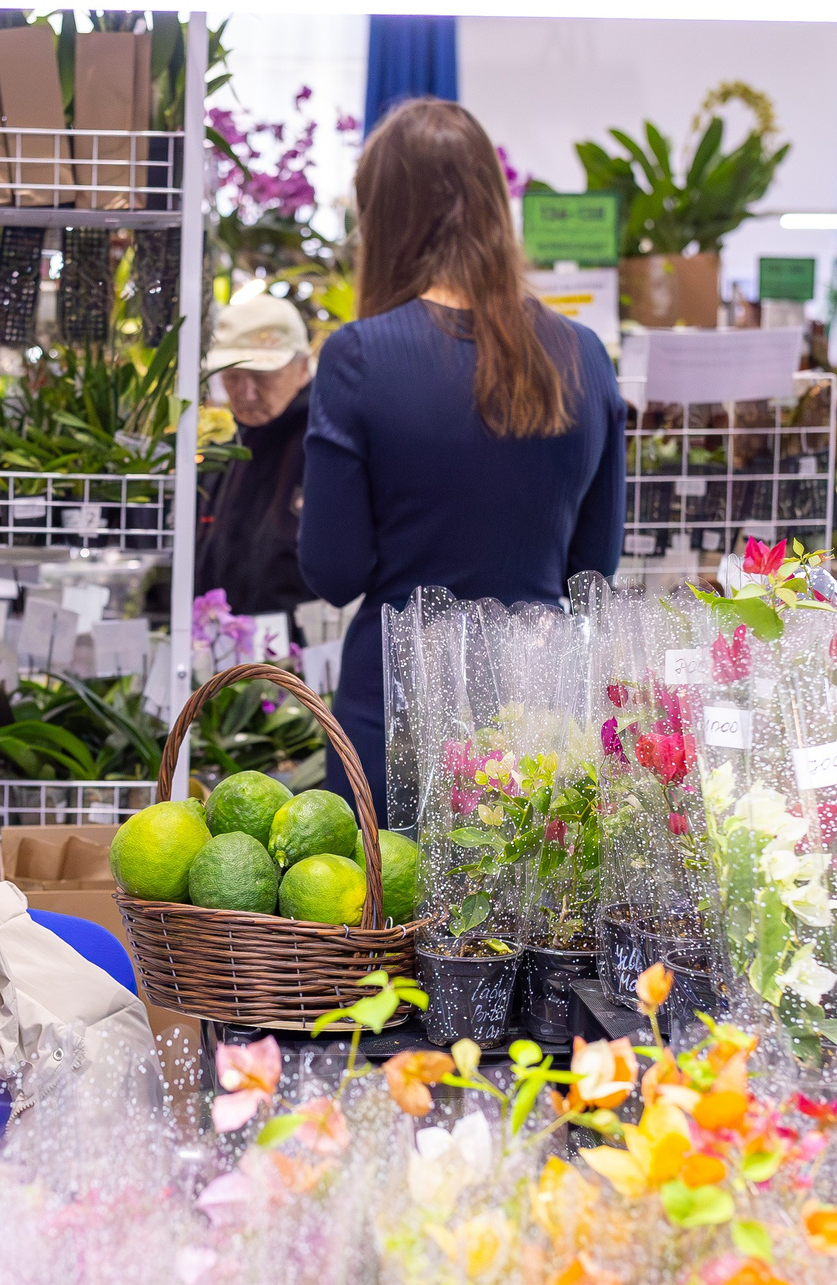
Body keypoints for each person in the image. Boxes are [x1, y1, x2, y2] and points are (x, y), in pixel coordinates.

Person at [298, 99, 625, 812]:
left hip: (394, 712)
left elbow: (333, 569)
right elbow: (595, 565)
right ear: (493, 205)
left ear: (381, 217)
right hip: (539, 717)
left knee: (383, 916)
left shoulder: (358, 358)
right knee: (530, 920)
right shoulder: (586, 358)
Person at [198, 294, 314, 616]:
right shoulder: (223, 439)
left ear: (303, 367)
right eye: (233, 377)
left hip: (297, 653)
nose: (246, 393)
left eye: (263, 376)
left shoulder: (327, 444)